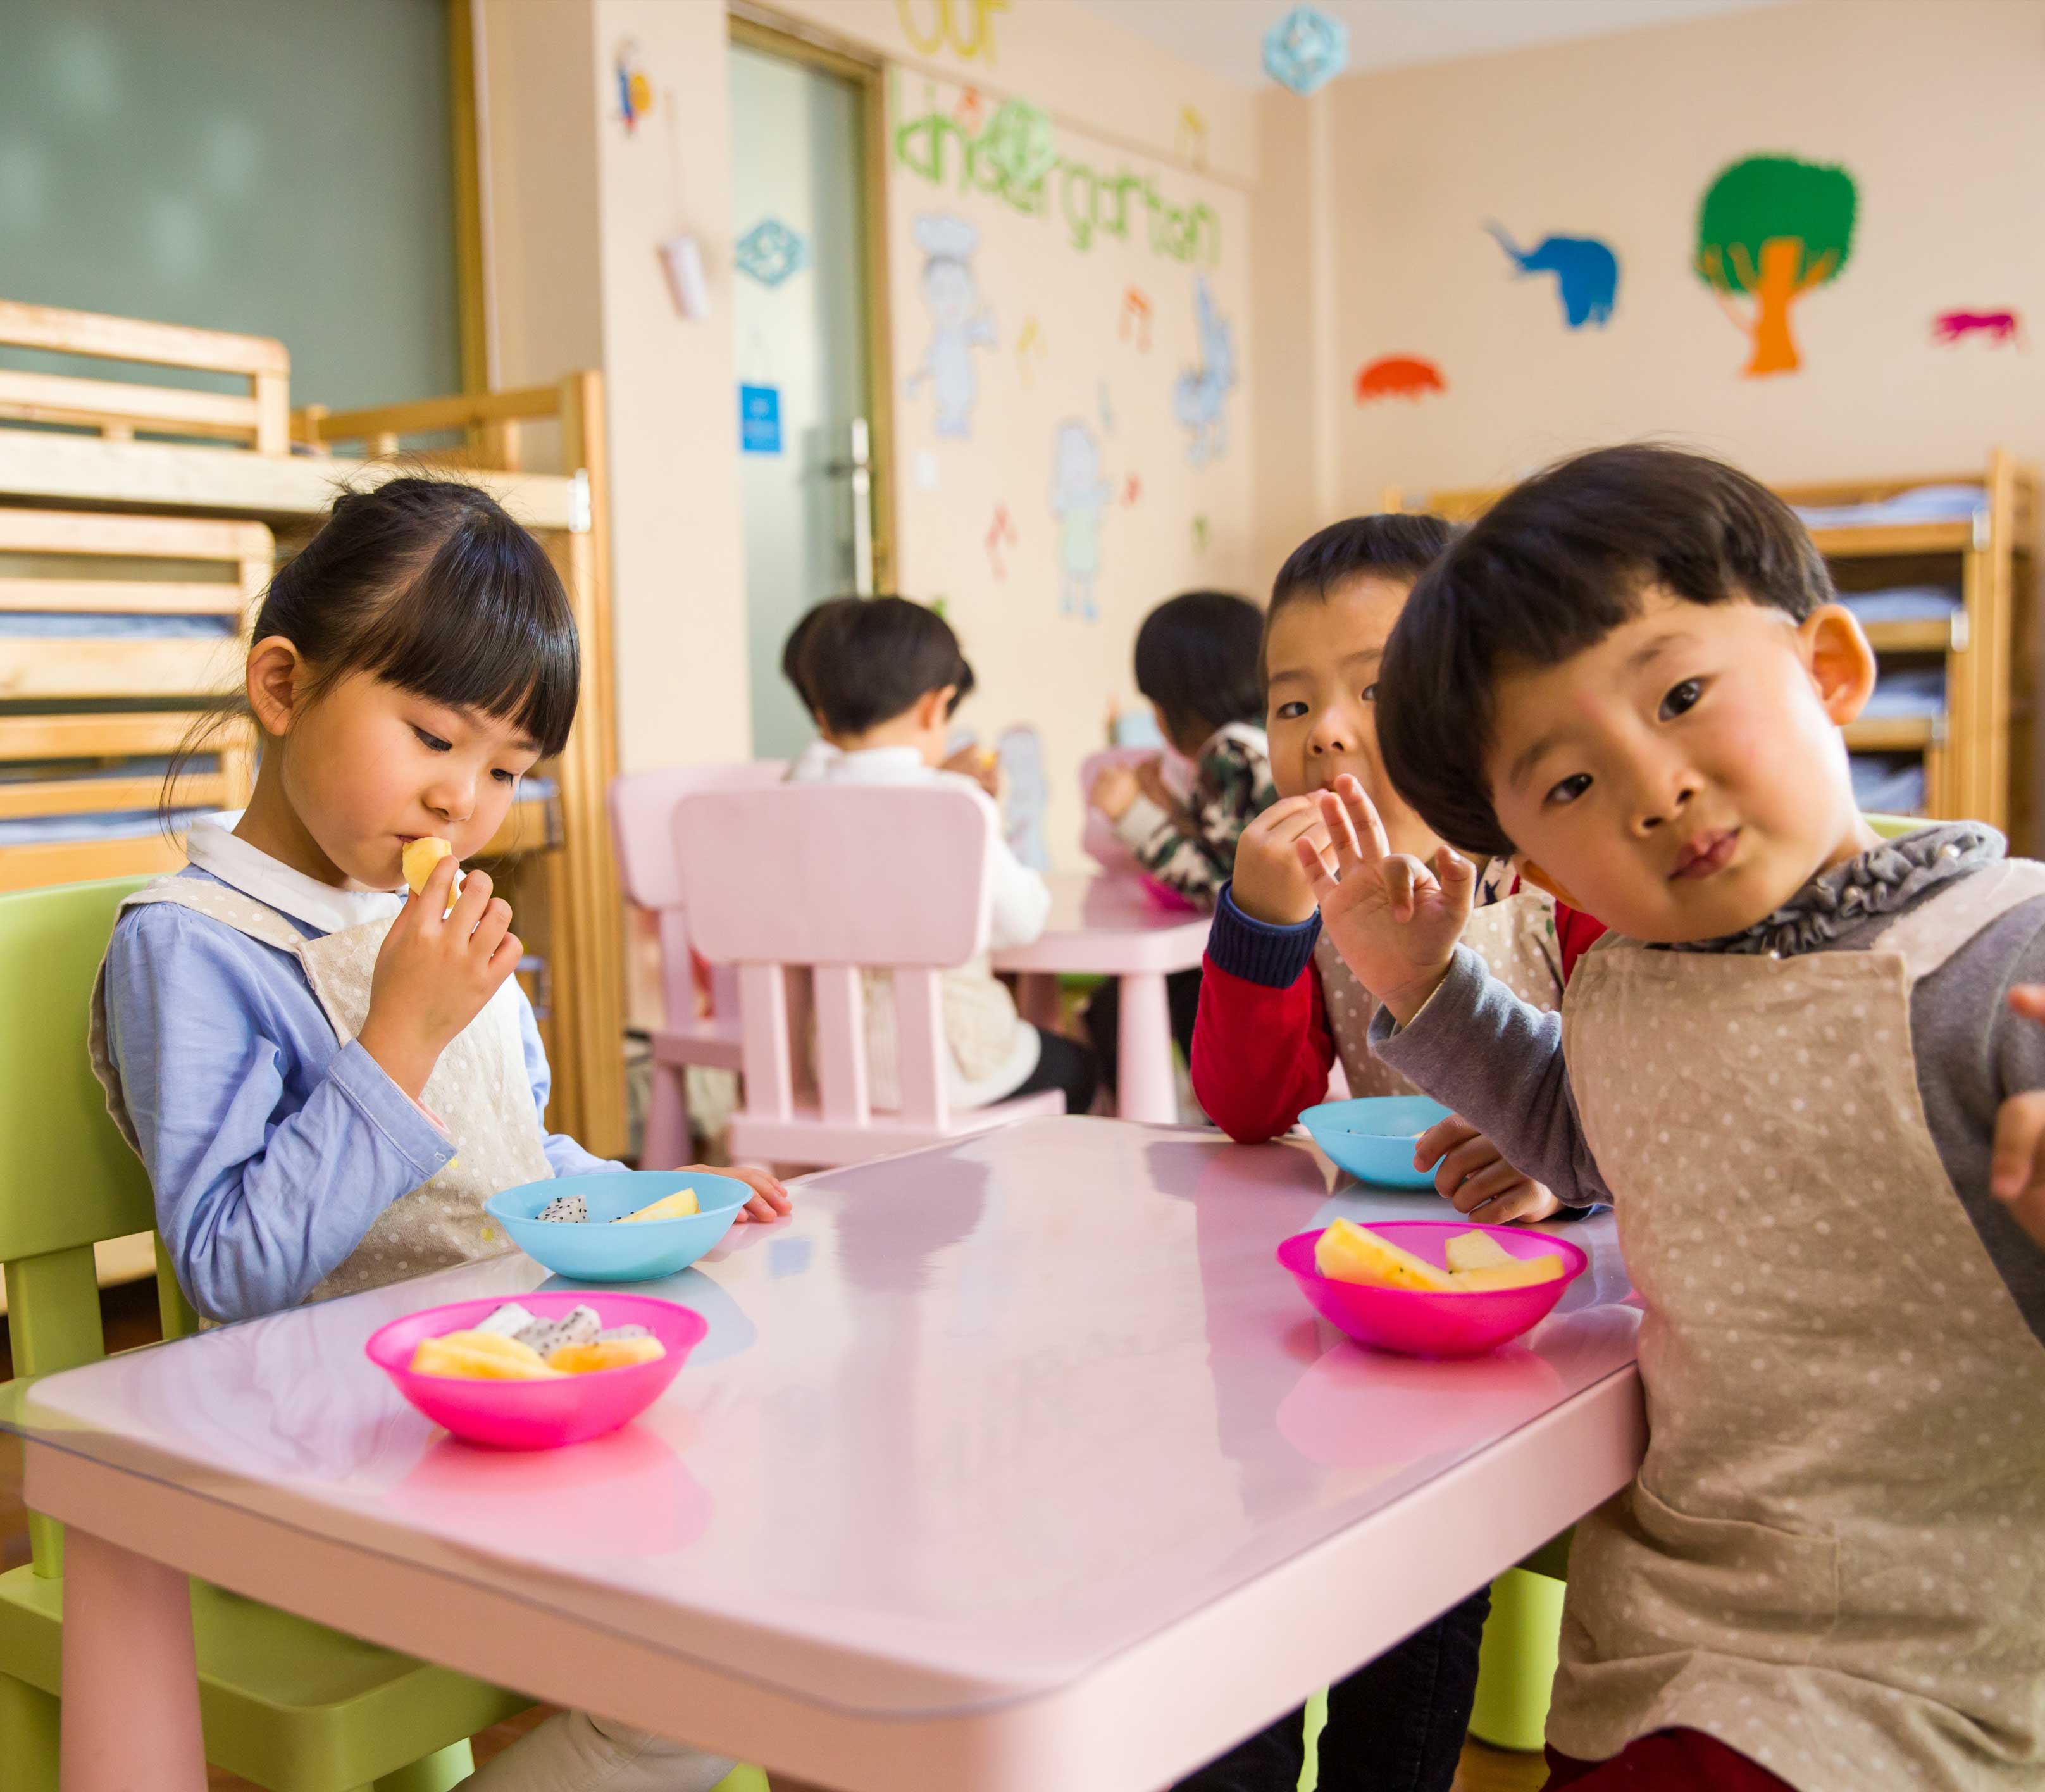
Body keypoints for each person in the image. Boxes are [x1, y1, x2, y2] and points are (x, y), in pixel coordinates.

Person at [1308, 444, 2045, 1791]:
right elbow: (1578, 1129)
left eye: (1683, 696)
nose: (1652, 789)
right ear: (1530, 860)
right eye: (1570, 784)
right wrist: (1421, 978)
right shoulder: (1625, 980)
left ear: (1826, 668)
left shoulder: (1996, 957)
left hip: (1945, 1651)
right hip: (1670, 1621)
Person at [96, 477, 791, 1792]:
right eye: (432, 738)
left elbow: (508, 1166)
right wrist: (398, 1040)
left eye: (505, 772)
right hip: (324, 1449)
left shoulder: (438, 918)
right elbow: (232, 1268)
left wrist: (647, 1191)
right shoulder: (190, 949)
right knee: (710, 1679)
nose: (461, 802)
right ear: (285, 687)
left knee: (769, 1556)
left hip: (495, 1392)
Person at [1191, 515, 1602, 1224]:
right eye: (1293, 705)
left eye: (1375, 691)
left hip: (1586, 1266)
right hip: (1389, 1233)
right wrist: (1261, 928)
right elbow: (1252, 1114)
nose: (1323, 730)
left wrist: (1565, 1173)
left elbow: (1661, 1099)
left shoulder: (1563, 875)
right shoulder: (1314, 903)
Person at [783, 595, 1098, 1117]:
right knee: (1078, 1066)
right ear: (936, 706)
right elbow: (1021, 922)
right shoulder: (955, 804)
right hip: (955, 1066)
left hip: (837, 1069)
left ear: (821, 715)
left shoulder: (791, 801)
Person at [1085, 589, 1276, 1093]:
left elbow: (1217, 885)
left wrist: (1131, 814)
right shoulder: (1264, 739)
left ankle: (1176, 1120)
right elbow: (1229, 847)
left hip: (1269, 958)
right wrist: (1167, 809)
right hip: (1292, 945)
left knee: (1117, 1010)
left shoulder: (1229, 752)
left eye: (1156, 705)